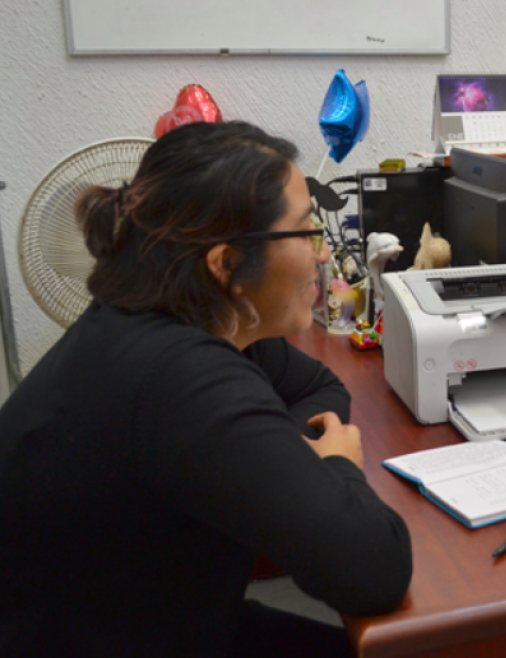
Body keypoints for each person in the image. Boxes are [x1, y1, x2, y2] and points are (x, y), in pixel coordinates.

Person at [0, 121, 412, 657]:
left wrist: (268, 461)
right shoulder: (180, 377)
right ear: (226, 264)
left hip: (163, 619)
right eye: (304, 230)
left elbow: (318, 384)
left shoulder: (189, 315)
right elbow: (375, 572)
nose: (323, 254)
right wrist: (332, 466)